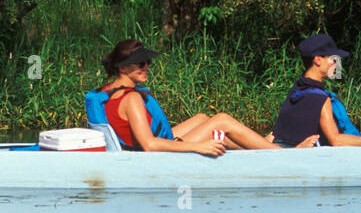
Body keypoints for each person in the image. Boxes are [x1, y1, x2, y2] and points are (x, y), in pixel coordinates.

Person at [91, 39, 302, 155]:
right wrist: (198, 146)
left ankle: (260, 145)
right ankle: (282, 155)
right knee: (221, 120)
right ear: (123, 67)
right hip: (154, 155)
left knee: (202, 119)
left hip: (149, 145)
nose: (147, 67)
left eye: (148, 62)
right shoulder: (131, 99)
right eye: (141, 63)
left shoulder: (108, 91)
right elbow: (149, 145)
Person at [270, 34, 361, 148]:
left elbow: (277, 133)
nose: (336, 63)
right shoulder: (320, 99)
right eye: (332, 58)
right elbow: (336, 140)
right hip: (350, 155)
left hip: (342, 149)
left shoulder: (297, 90)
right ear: (317, 60)